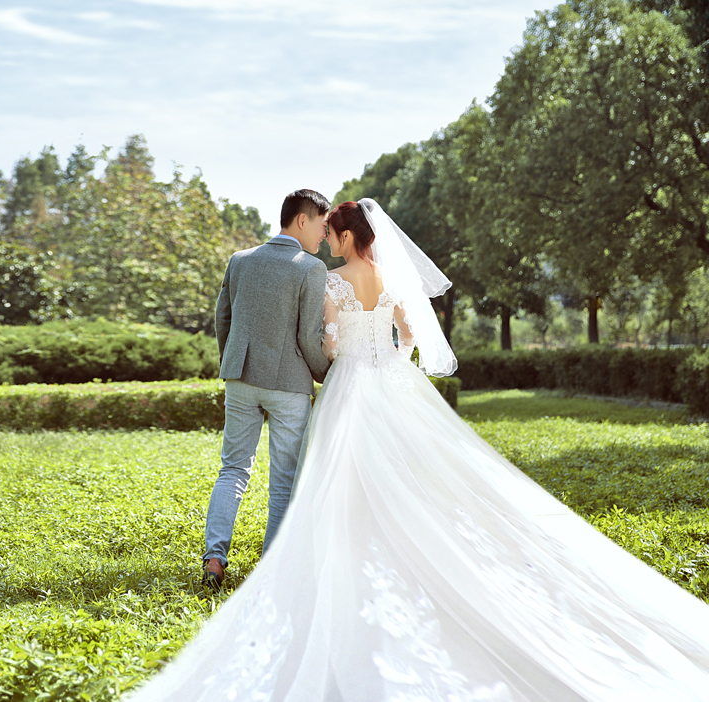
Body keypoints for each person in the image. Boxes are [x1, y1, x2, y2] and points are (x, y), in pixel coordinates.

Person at [128, 198, 709, 701]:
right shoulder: (387, 279)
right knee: (374, 469)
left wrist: (340, 355)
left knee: (316, 469)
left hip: (338, 380)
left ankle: (261, 555)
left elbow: (325, 339)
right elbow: (407, 334)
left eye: (331, 233)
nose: (325, 241)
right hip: (383, 379)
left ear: (346, 235)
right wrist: (384, 362)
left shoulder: (325, 279)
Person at [204, 188, 332, 591]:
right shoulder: (310, 268)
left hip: (240, 379)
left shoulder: (239, 260)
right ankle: (271, 568)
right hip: (289, 386)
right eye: (322, 227)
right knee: (283, 481)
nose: (324, 237)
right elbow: (310, 338)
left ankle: (214, 560)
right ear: (302, 220)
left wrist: (234, 364)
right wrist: (329, 375)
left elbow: (222, 319)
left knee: (232, 470)